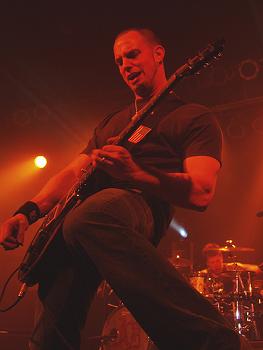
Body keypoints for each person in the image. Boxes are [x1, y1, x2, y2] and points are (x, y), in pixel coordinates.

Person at [0, 28, 249, 350]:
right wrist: (27, 212)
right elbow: (73, 171)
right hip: (82, 220)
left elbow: (201, 191)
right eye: (119, 61)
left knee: (92, 215)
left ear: (158, 54)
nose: (126, 65)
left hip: (137, 204)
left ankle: (214, 342)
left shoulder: (192, 116)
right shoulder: (112, 122)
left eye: (132, 55)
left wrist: (135, 172)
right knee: (54, 278)